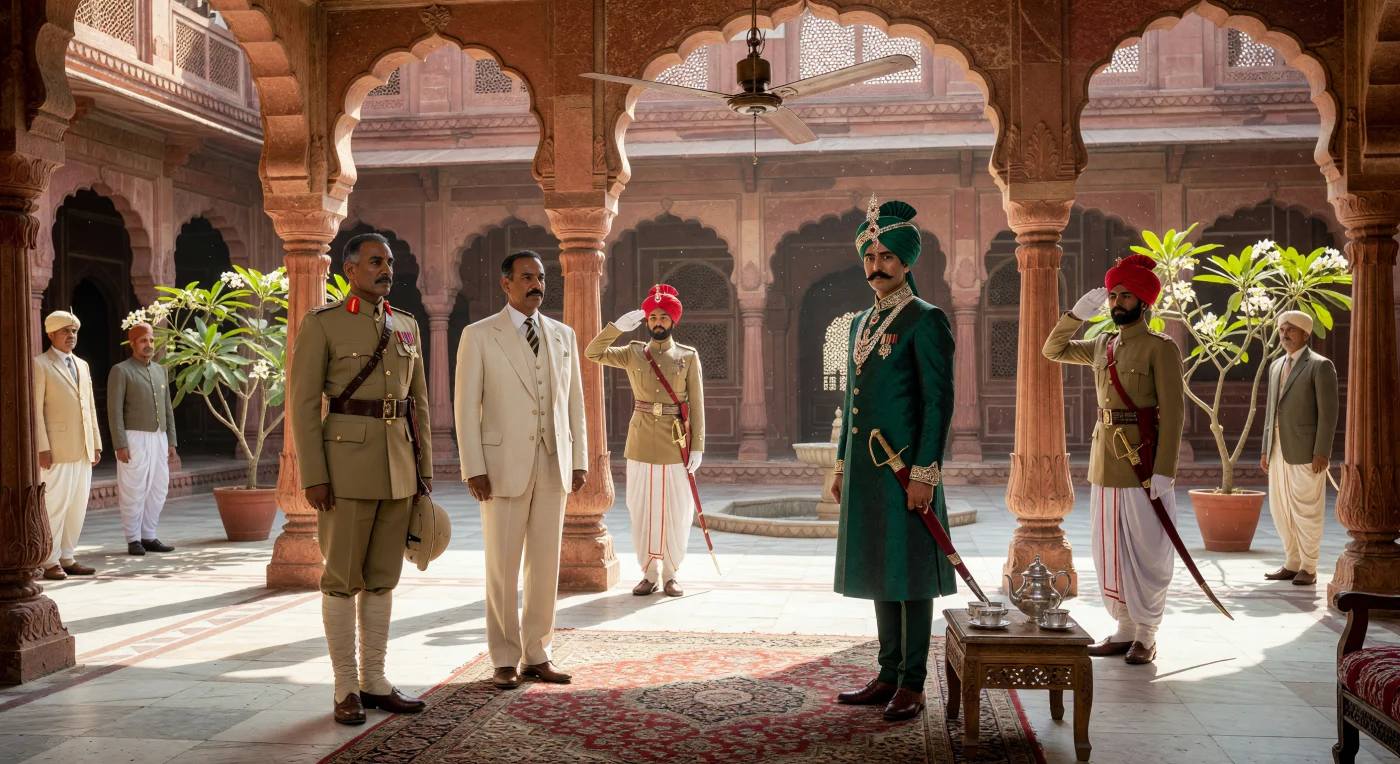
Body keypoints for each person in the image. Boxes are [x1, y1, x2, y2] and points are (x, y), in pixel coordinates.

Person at [289, 232, 433, 725]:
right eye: (375, 261)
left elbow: (420, 408)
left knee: (382, 581)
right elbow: (305, 405)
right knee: (341, 580)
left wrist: (424, 474)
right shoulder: (323, 324)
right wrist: (314, 474)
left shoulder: (407, 325)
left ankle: (374, 680)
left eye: (389, 261)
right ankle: (344, 687)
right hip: (344, 470)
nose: (385, 268)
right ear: (350, 270)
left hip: (399, 470)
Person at [830, 196, 956, 722]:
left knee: (910, 574)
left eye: (886, 256)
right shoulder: (861, 323)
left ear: (906, 262)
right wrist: (840, 465)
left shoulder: (926, 320)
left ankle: (913, 681)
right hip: (867, 471)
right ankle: (886, 674)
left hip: (906, 471)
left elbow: (937, 402)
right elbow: (852, 400)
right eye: (869, 256)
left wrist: (924, 474)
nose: (875, 265)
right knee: (883, 569)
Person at [454, 250, 587, 690]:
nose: (537, 284)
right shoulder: (479, 336)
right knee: (502, 566)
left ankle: (537, 653)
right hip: (500, 466)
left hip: (554, 462)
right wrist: (474, 466)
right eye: (527, 277)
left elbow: (574, 404)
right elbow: (464, 407)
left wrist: (579, 459)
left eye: (542, 277)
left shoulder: (563, 335)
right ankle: (504, 658)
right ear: (505, 284)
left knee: (545, 566)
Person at [1044, 255, 1185, 666]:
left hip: (1143, 464)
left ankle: (1147, 634)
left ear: (1144, 302)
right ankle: (1124, 629)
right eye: (1112, 296)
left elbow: (1174, 414)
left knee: (1147, 551)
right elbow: (1053, 349)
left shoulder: (1162, 347)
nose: (1116, 302)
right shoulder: (1103, 345)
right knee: (1109, 552)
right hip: (1106, 460)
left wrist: (1165, 470)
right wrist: (1076, 315)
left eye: (1125, 295)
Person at [585, 285, 705, 597]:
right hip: (639, 442)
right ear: (647, 322)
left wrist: (698, 447)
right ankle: (649, 574)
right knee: (641, 510)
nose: (658, 322)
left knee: (677, 511)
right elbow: (592, 353)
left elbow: (697, 404)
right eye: (653, 317)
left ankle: (672, 574)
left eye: (664, 317)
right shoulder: (634, 352)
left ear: (673, 321)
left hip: (675, 443)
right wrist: (615, 328)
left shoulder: (687, 357)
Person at [1261, 310, 1339, 587]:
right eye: (1282, 329)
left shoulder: (1320, 365)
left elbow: (1329, 414)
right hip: (1278, 449)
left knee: (1306, 508)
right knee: (1279, 507)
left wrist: (1322, 452)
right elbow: (1271, 410)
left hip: (1307, 450)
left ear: (1305, 334)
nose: (1284, 334)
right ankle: (1292, 563)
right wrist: (1265, 448)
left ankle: (1309, 566)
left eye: (1291, 330)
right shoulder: (1275, 366)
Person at [33, 311, 102, 580]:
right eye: (65, 331)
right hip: (57, 449)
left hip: (83, 447)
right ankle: (49, 561)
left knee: (77, 506)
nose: (71, 336)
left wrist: (95, 443)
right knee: (55, 505)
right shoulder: (40, 364)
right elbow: (36, 410)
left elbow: (90, 407)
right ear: (50, 335)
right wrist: (42, 447)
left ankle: (67, 556)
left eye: (73, 331)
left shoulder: (82, 365)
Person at [109, 321, 178, 557]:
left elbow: (168, 408)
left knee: (159, 486)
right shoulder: (121, 370)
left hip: (159, 436)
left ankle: (149, 535)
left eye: (150, 340)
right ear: (132, 344)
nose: (148, 344)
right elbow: (115, 410)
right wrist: (120, 443)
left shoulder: (160, 370)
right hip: (134, 437)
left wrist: (171, 441)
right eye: (143, 341)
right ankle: (133, 539)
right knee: (133, 487)